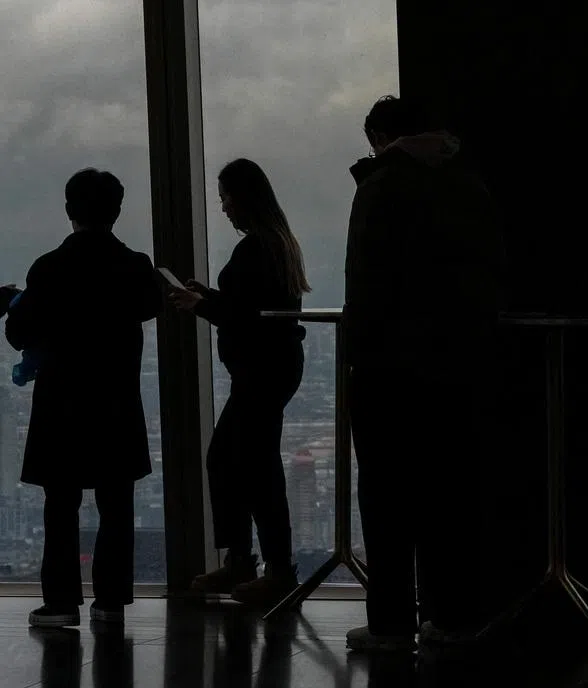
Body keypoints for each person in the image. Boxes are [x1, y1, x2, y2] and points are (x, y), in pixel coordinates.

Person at [343, 96, 503, 652]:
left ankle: (391, 623)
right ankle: (455, 616)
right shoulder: (470, 185)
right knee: (452, 498)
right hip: (461, 366)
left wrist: (359, 355)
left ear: (380, 137)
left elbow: (367, 281)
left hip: (390, 368)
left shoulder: (383, 186)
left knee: (387, 501)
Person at [5, 168, 162, 627]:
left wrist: (17, 305)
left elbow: (21, 333)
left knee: (61, 503)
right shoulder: (135, 265)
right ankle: (111, 599)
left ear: (70, 210)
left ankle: (60, 602)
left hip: (63, 402)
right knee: (116, 502)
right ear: (116, 211)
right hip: (116, 401)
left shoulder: (49, 267)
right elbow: (150, 306)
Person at [170, 158, 308, 608]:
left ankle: (263, 566)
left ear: (243, 197)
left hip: (260, 370)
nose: (224, 207)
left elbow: (245, 316)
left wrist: (201, 304)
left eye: (226, 197)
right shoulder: (276, 244)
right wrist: (208, 296)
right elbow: (255, 306)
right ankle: (254, 563)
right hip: (274, 366)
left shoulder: (255, 248)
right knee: (245, 462)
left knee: (243, 465)